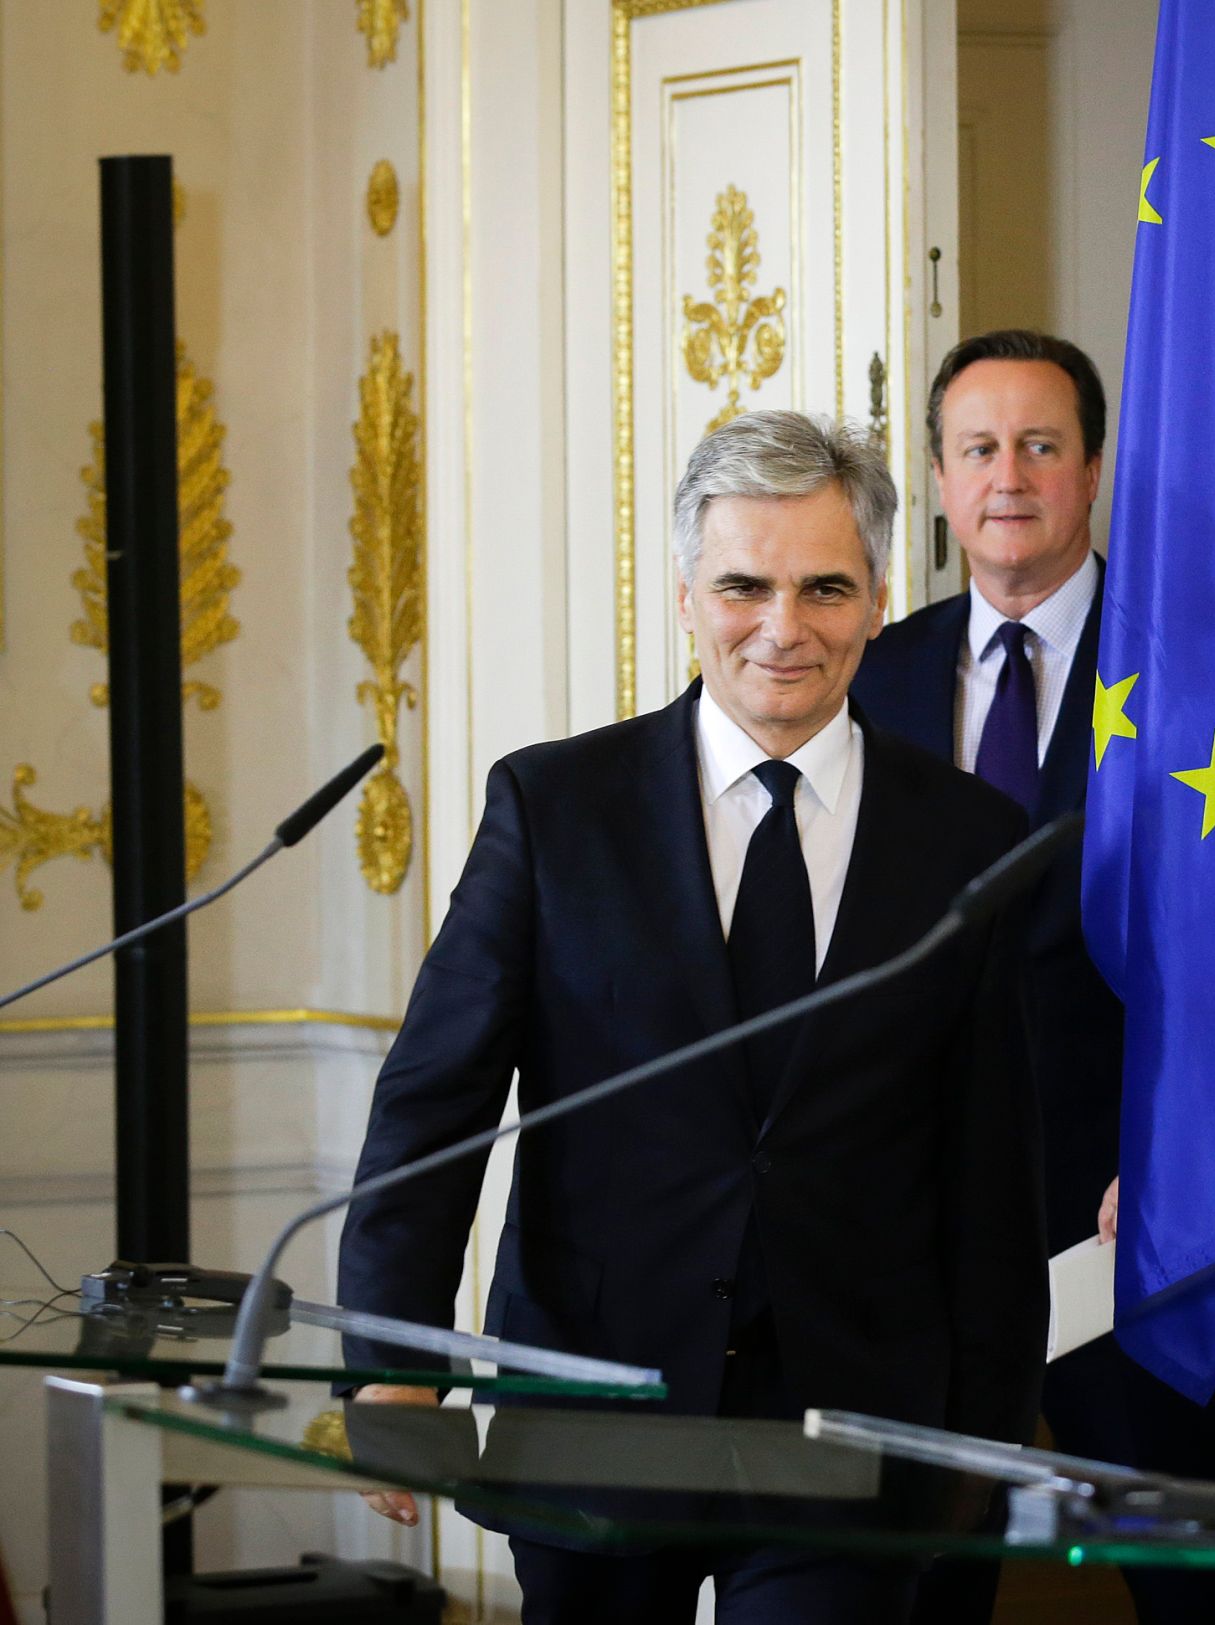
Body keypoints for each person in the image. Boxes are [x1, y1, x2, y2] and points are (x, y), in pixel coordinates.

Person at [337, 410, 1048, 1625]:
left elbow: (990, 1177)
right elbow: (435, 1098)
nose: (783, 627)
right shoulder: (555, 808)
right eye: (742, 585)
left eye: (825, 586)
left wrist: (980, 1443)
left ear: (878, 597)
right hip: (594, 1402)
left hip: (850, 1423)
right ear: (682, 593)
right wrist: (393, 1361)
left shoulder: (967, 840)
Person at [851, 330, 1215, 1624]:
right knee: (914, 1581)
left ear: (1092, 470)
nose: (1010, 475)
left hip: (1134, 1200)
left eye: (1042, 444)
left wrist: (1177, 1146)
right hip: (916, 1220)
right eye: (979, 448)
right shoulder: (871, 673)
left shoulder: (1199, 674)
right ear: (935, 479)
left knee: (1197, 1576)